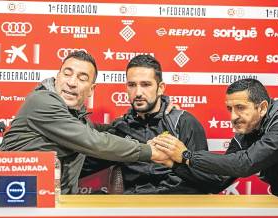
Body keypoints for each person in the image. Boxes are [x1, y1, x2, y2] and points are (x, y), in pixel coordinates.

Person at [154, 78, 278, 218]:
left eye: (240, 108)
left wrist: (187, 155)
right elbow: (218, 182)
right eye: (229, 109)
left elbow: (244, 164)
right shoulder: (247, 131)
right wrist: (176, 164)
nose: (233, 117)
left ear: (262, 107)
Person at [0, 51, 167, 194]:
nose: (71, 83)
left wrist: (159, 108)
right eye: (67, 73)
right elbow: (96, 141)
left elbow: (108, 129)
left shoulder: (76, 118)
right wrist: (150, 152)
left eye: (82, 78)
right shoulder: (42, 101)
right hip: (2, 198)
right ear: (57, 77)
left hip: (48, 205)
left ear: (91, 89)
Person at [81, 55, 231, 194]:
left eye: (146, 84)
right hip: (136, 209)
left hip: (179, 208)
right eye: (132, 85)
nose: (138, 92)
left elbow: (209, 180)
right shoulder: (121, 128)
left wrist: (175, 163)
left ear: (160, 88)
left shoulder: (184, 122)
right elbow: (84, 166)